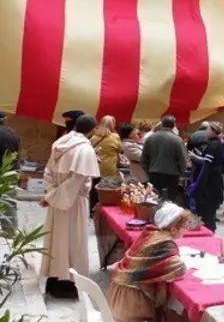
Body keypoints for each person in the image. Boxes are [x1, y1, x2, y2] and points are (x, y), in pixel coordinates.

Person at [40, 114, 100, 299]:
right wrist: (56, 196)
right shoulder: (85, 150)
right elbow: (77, 182)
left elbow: (48, 172)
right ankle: (67, 286)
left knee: (57, 240)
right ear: (92, 130)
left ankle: (54, 282)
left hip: (58, 200)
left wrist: (51, 194)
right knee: (72, 242)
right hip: (73, 203)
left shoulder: (60, 142)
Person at [107, 203, 190, 321]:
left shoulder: (150, 232)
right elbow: (179, 269)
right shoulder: (166, 244)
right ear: (173, 229)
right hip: (132, 303)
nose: (186, 230)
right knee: (177, 310)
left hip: (118, 292)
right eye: (185, 227)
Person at [141, 115, 187, 203]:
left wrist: (149, 170)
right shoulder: (177, 140)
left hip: (154, 174)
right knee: (170, 202)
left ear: (162, 124)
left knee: (154, 200)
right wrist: (181, 172)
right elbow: (183, 159)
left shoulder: (150, 138)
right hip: (171, 176)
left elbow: (143, 159)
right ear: (174, 126)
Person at [194, 122, 224, 231]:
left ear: (213, 131)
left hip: (210, 180)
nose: (206, 132)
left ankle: (209, 230)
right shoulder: (215, 143)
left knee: (207, 209)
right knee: (208, 209)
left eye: (207, 130)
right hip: (213, 178)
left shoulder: (213, 145)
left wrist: (194, 156)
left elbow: (207, 163)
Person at [90, 115, 122, 214]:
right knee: (108, 189)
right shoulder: (115, 137)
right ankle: (106, 211)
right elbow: (120, 149)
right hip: (109, 167)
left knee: (94, 189)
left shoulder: (94, 136)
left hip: (95, 166)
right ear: (113, 124)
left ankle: (93, 210)